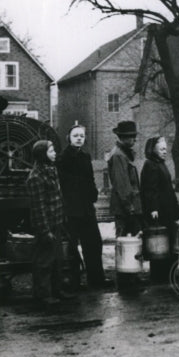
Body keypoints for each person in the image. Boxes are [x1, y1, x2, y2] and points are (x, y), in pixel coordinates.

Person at [57, 124, 109, 290]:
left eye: (81, 135)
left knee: (94, 243)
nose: (79, 138)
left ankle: (97, 279)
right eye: (75, 135)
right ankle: (73, 282)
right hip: (71, 210)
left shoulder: (85, 156)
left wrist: (93, 192)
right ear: (69, 138)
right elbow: (64, 184)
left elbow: (90, 179)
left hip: (86, 208)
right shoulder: (62, 158)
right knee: (71, 247)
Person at [26, 139, 74, 305]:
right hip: (46, 226)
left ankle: (57, 290)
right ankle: (43, 294)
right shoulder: (36, 177)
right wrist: (45, 231)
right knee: (44, 262)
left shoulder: (51, 171)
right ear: (42, 154)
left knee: (57, 260)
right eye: (51, 151)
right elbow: (38, 208)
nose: (55, 154)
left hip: (57, 222)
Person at [141, 136, 179, 285]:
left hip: (168, 210)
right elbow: (149, 189)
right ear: (153, 150)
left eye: (166, 149)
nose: (165, 151)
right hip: (160, 211)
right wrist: (153, 208)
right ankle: (159, 275)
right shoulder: (150, 165)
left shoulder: (160, 164)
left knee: (170, 243)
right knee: (160, 243)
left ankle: (168, 273)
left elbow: (168, 190)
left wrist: (176, 211)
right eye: (162, 149)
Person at [107, 120, 142, 237]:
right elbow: (122, 186)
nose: (135, 139)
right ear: (123, 137)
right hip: (125, 209)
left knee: (130, 243)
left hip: (128, 207)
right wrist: (130, 208)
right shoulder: (119, 155)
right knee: (126, 243)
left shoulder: (124, 153)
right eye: (132, 136)